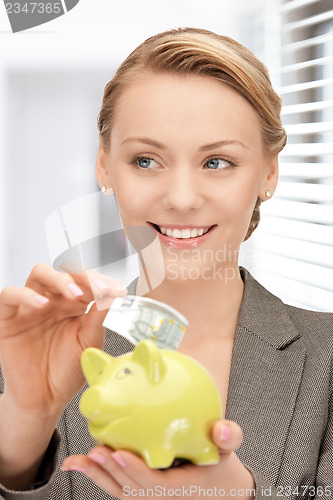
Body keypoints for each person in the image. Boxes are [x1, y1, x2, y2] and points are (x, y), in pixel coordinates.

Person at [0, 27, 332, 500]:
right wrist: (25, 429)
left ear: (268, 173)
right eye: (146, 160)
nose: (179, 199)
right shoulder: (25, 365)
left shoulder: (329, 363)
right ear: (104, 166)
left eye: (216, 162)